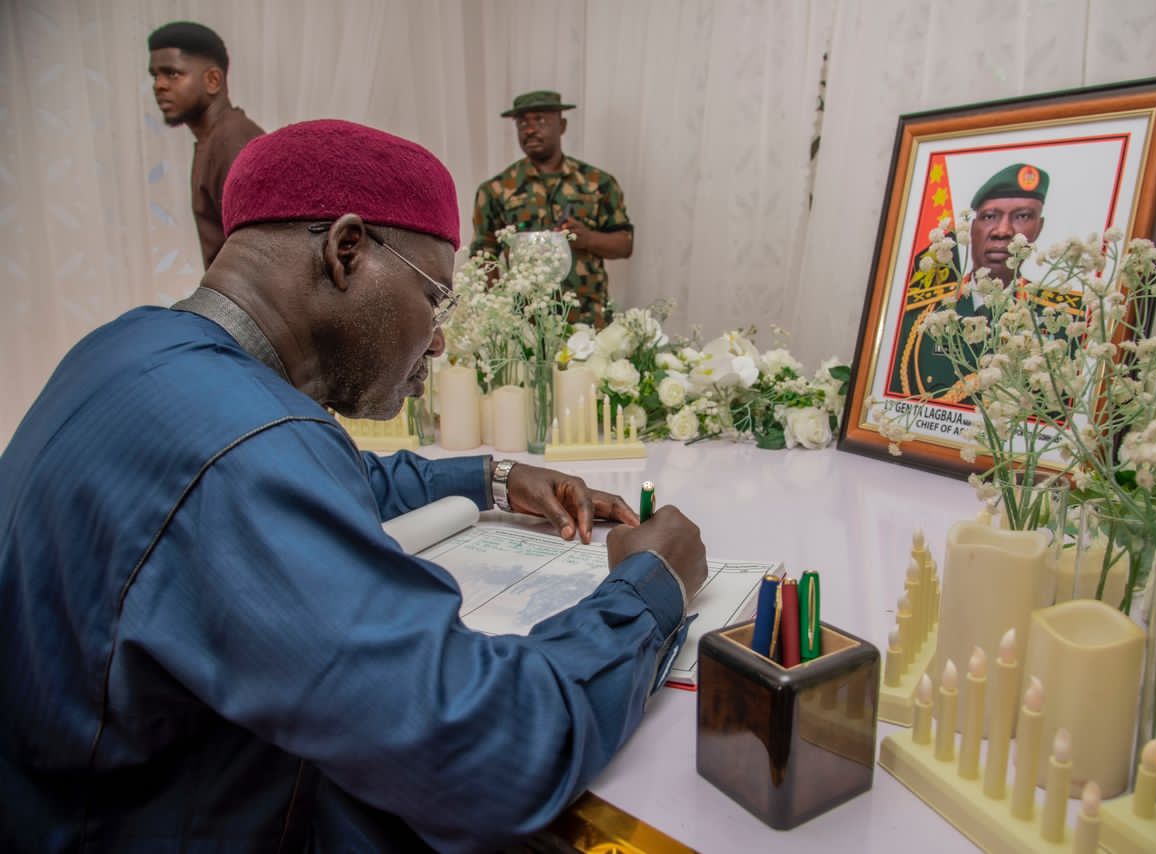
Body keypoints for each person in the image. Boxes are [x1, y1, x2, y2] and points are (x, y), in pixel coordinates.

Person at [0, 120, 707, 853]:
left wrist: (494, 477)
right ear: (346, 251)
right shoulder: (249, 451)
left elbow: (320, 473)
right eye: (437, 298)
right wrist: (648, 590)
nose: (439, 338)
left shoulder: (133, 348)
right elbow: (492, 746)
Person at [889, 162, 1075, 402]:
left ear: (1038, 228)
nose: (1002, 231)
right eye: (989, 216)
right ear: (972, 228)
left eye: (1022, 216)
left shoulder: (1065, 320)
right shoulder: (916, 313)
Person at [471, 90, 633, 328]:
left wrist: (588, 238)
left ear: (562, 125)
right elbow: (483, 255)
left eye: (540, 120)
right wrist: (497, 312)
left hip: (588, 322)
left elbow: (624, 244)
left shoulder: (598, 183)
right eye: (522, 123)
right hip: (526, 324)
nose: (530, 129)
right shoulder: (495, 190)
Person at [148, 21, 265, 269]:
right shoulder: (214, 139)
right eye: (155, 75)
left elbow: (260, 253)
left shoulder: (231, 139)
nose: (159, 85)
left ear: (213, 80)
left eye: (172, 73)